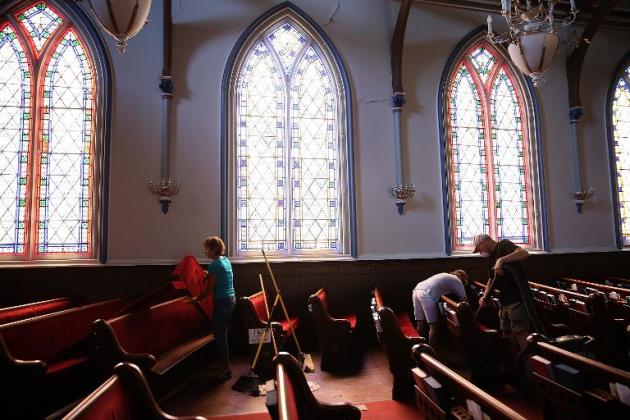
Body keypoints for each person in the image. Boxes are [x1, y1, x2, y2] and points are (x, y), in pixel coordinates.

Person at [473, 233, 530, 351]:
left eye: (479, 249)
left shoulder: (504, 245)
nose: (480, 252)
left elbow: (524, 253)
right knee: (506, 333)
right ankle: (514, 362)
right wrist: (485, 297)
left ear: (484, 242)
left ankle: (527, 364)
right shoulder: (490, 259)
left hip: (517, 298)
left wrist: (502, 259)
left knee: (520, 333)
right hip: (504, 301)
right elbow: (490, 279)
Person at [189, 236, 235, 380]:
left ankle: (225, 369)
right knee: (222, 334)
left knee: (219, 335)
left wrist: (197, 299)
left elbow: (209, 289)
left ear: (214, 249)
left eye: (207, 249)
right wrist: (208, 274)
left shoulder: (214, 265)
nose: (205, 252)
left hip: (221, 301)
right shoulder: (225, 260)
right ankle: (223, 363)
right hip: (231, 300)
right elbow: (219, 275)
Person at [412, 270, 469, 348]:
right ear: (463, 278)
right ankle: (431, 352)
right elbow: (464, 300)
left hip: (417, 290)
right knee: (433, 325)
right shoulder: (457, 280)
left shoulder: (445, 275)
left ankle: (419, 347)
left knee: (420, 322)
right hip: (427, 294)